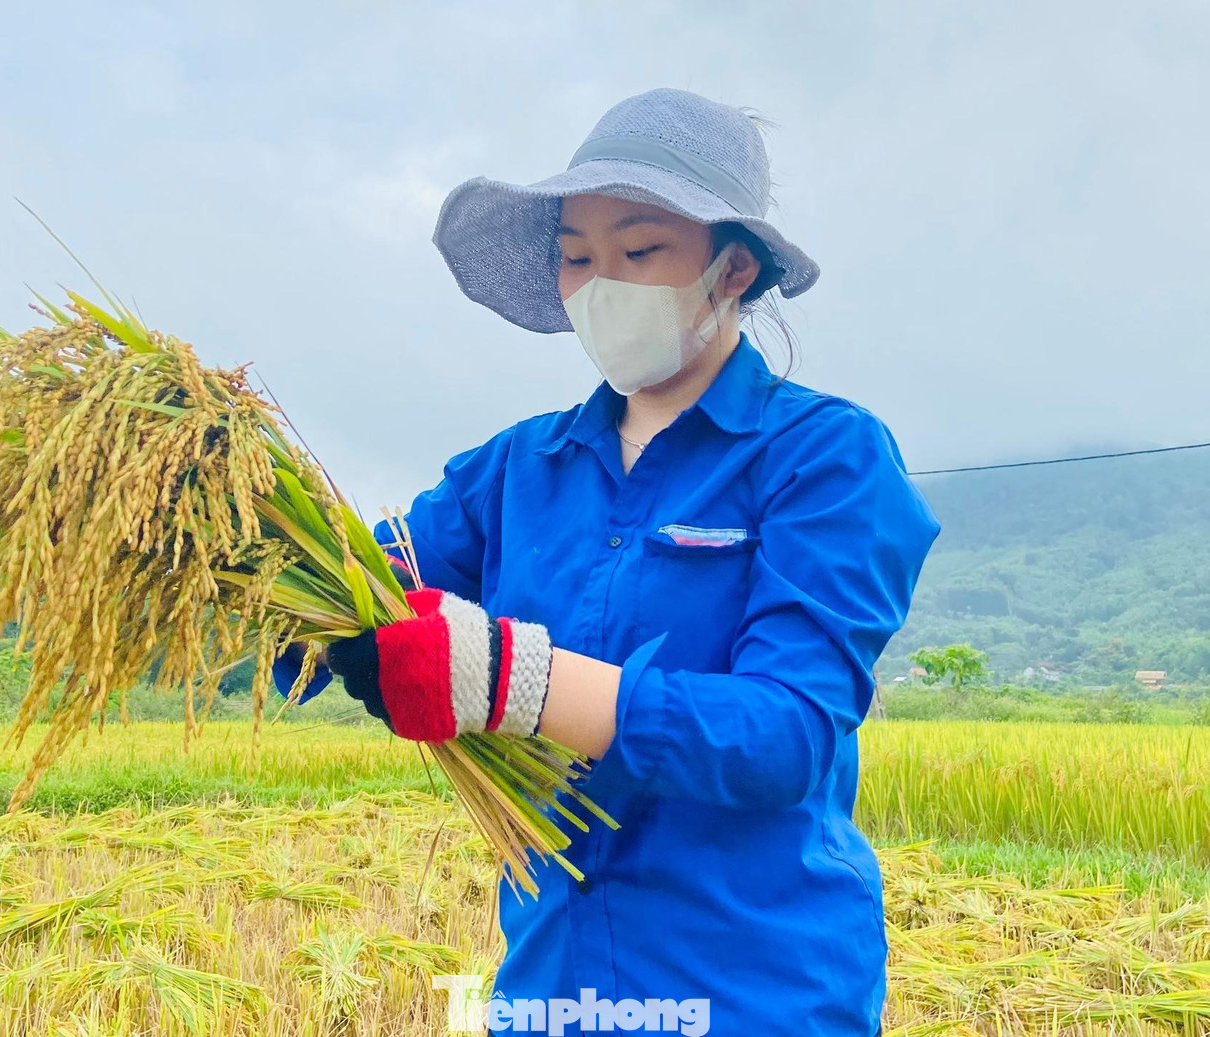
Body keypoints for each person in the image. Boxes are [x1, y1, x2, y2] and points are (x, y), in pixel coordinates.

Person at [274, 87, 940, 1036]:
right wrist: (234, 537)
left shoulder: (824, 457)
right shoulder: (514, 471)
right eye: (577, 257)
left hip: (755, 992)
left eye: (639, 251)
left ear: (733, 268)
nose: (602, 285)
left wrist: (511, 679)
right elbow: (344, 596)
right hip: (555, 986)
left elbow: (784, 733)